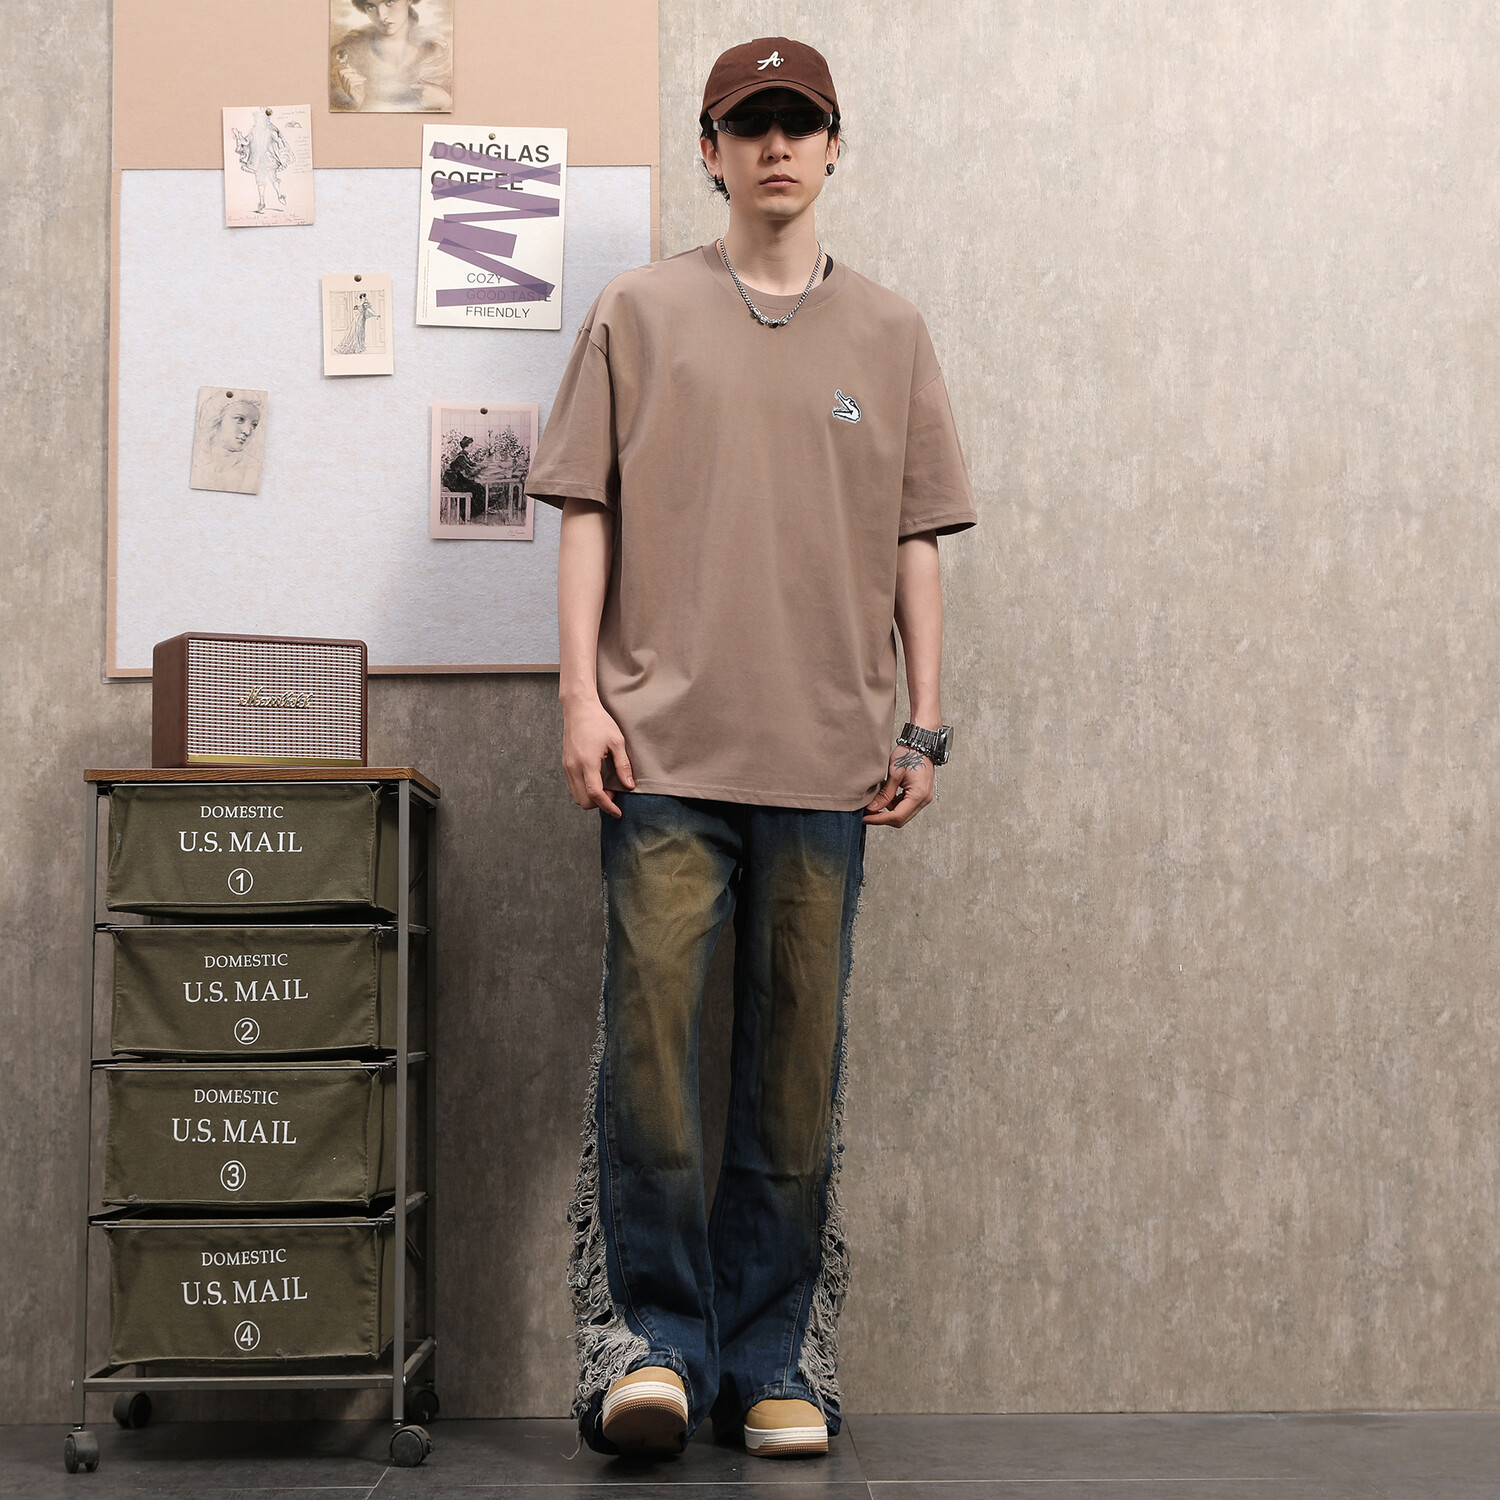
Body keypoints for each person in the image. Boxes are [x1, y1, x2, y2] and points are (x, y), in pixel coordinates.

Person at [525, 36, 976, 1462]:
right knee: (651, 1059)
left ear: (835, 146)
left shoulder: (891, 332)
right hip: (660, 753)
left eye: (800, 122)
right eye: (749, 123)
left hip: (830, 761)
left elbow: (915, 539)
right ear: (711, 149)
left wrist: (924, 721)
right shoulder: (638, 310)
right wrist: (581, 699)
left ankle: (776, 1359)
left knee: (792, 1073)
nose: (776, 146)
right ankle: (649, 1350)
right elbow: (584, 508)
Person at [329, 0, 452, 113]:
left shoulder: (438, 60)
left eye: (389, 2)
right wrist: (357, 104)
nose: (382, 16)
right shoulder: (347, 60)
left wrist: (446, 103)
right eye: (371, 7)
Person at [191, 395, 263, 493]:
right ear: (217, 420)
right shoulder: (196, 462)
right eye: (240, 419)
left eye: (254, 425)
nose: (247, 431)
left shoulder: (253, 469)